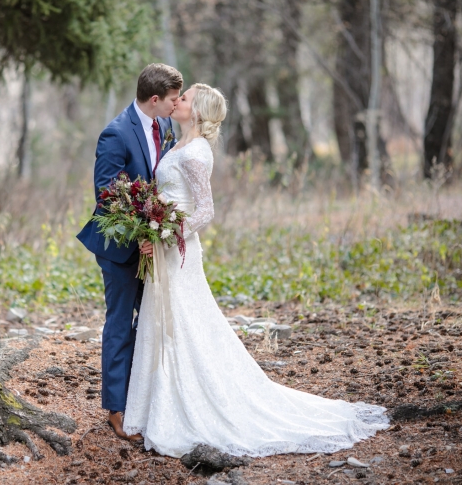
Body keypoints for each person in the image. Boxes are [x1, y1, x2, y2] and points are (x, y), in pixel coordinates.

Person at [123, 83, 390, 457]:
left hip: (178, 251)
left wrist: (168, 234)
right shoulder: (179, 144)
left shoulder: (196, 152)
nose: (178, 100)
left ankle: (193, 404)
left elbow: (205, 210)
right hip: (166, 248)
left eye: (185, 97)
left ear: (197, 110)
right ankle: (156, 406)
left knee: (183, 322)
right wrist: (152, 225)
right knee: (166, 320)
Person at [77, 63, 182, 441]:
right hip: (120, 249)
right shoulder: (116, 133)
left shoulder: (165, 125)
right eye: (172, 100)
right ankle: (116, 408)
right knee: (121, 324)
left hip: (154, 244)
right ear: (154, 99)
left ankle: (144, 397)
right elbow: (106, 195)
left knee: (152, 321)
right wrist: (139, 235)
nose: (176, 105)